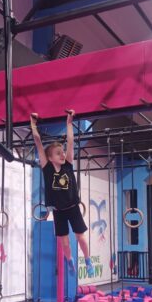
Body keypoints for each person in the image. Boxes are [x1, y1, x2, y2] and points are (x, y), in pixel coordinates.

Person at [30, 110, 95, 278]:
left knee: (80, 237)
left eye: (63, 152)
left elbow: (71, 142)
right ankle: (69, 260)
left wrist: (69, 123)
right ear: (50, 157)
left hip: (73, 207)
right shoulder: (47, 168)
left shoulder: (68, 165)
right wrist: (33, 124)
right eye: (58, 153)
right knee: (64, 243)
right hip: (58, 211)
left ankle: (88, 260)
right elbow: (38, 142)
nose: (62, 154)